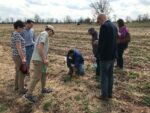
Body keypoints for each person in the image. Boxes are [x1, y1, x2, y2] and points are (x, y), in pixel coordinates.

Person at [24, 25, 55, 103]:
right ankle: (28, 95)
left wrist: (45, 59)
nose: (52, 35)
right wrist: (44, 59)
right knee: (36, 77)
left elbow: (43, 49)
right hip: (39, 60)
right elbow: (40, 47)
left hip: (42, 60)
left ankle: (43, 89)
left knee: (44, 74)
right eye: (53, 33)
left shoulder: (44, 34)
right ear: (50, 30)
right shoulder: (45, 34)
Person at [97, 14, 117, 101]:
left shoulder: (104, 26)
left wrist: (98, 55)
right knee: (110, 75)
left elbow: (102, 43)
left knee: (104, 76)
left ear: (101, 19)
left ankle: (104, 95)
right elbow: (116, 41)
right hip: (112, 56)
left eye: (98, 21)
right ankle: (109, 93)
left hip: (105, 57)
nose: (99, 23)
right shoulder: (114, 26)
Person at [10, 20, 27, 94]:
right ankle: (22, 89)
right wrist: (23, 58)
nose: (23, 29)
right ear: (18, 27)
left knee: (18, 71)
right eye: (22, 28)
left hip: (15, 55)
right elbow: (19, 47)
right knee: (22, 72)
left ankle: (17, 86)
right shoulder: (17, 35)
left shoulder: (14, 33)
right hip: (18, 56)